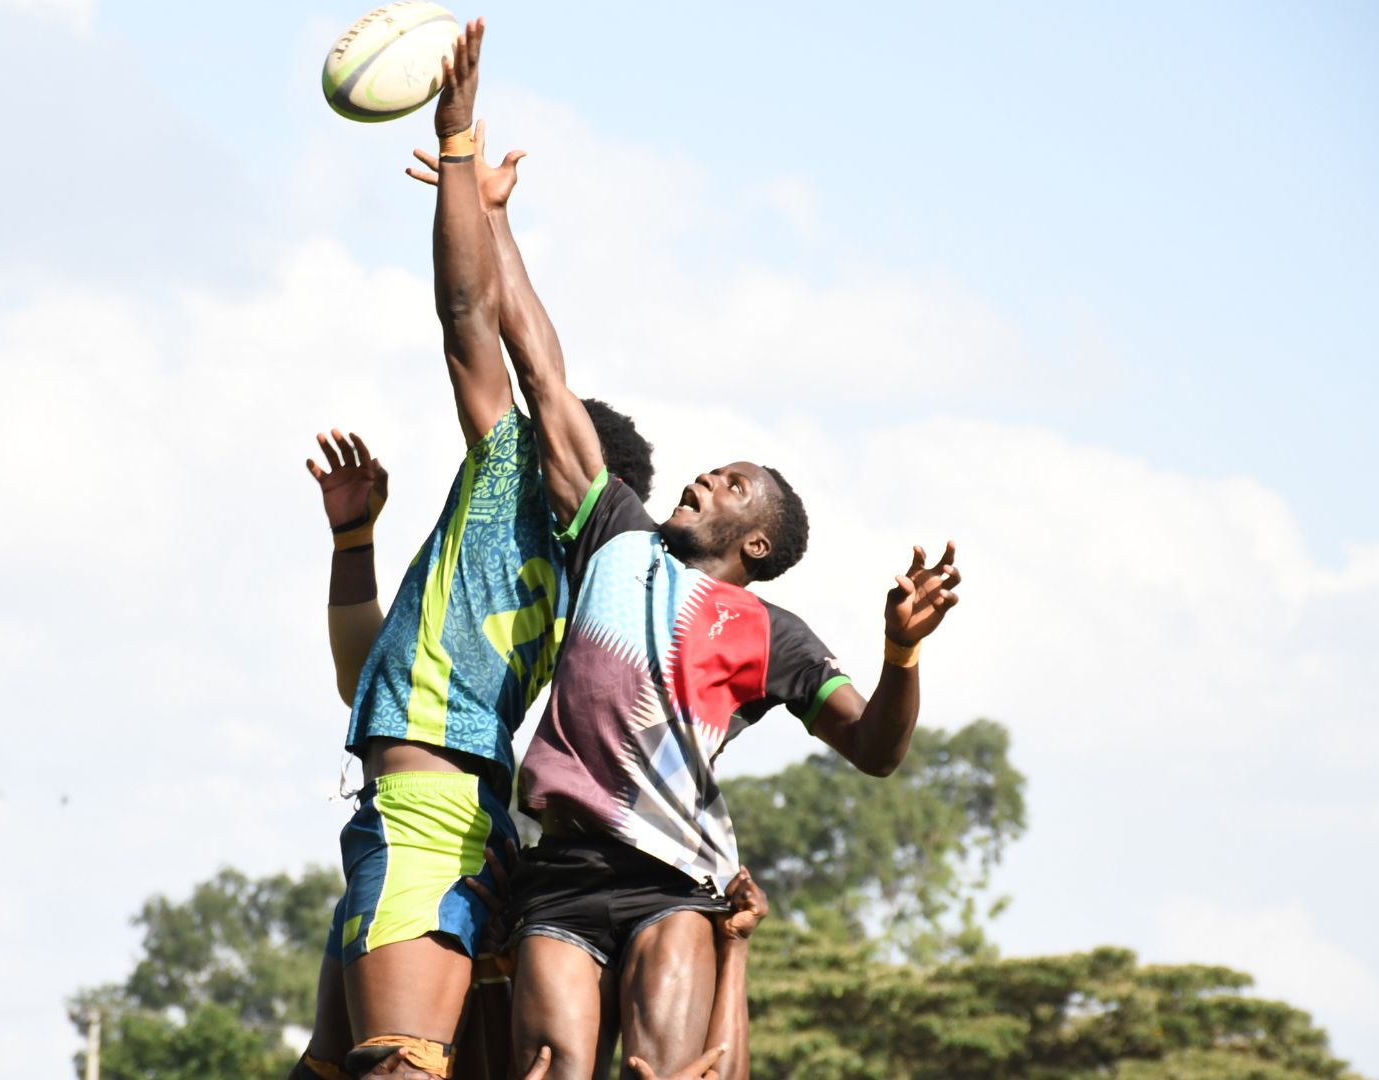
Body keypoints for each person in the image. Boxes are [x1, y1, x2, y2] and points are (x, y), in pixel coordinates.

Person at [410, 47, 962, 1080]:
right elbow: (538, 362)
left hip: (676, 880)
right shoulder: (612, 530)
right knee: (553, 1071)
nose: (711, 475)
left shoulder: (775, 638)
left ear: (759, 545)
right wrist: (492, 212)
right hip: (562, 876)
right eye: (715, 469)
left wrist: (900, 654)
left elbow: (879, 752)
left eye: (736, 483)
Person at [286, 18, 661, 1080]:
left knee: (396, 1067)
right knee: (339, 1068)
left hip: (432, 812)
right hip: (453, 812)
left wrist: (455, 148)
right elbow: (373, 679)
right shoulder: (585, 584)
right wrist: (355, 543)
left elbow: (470, 321)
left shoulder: (517, 484)